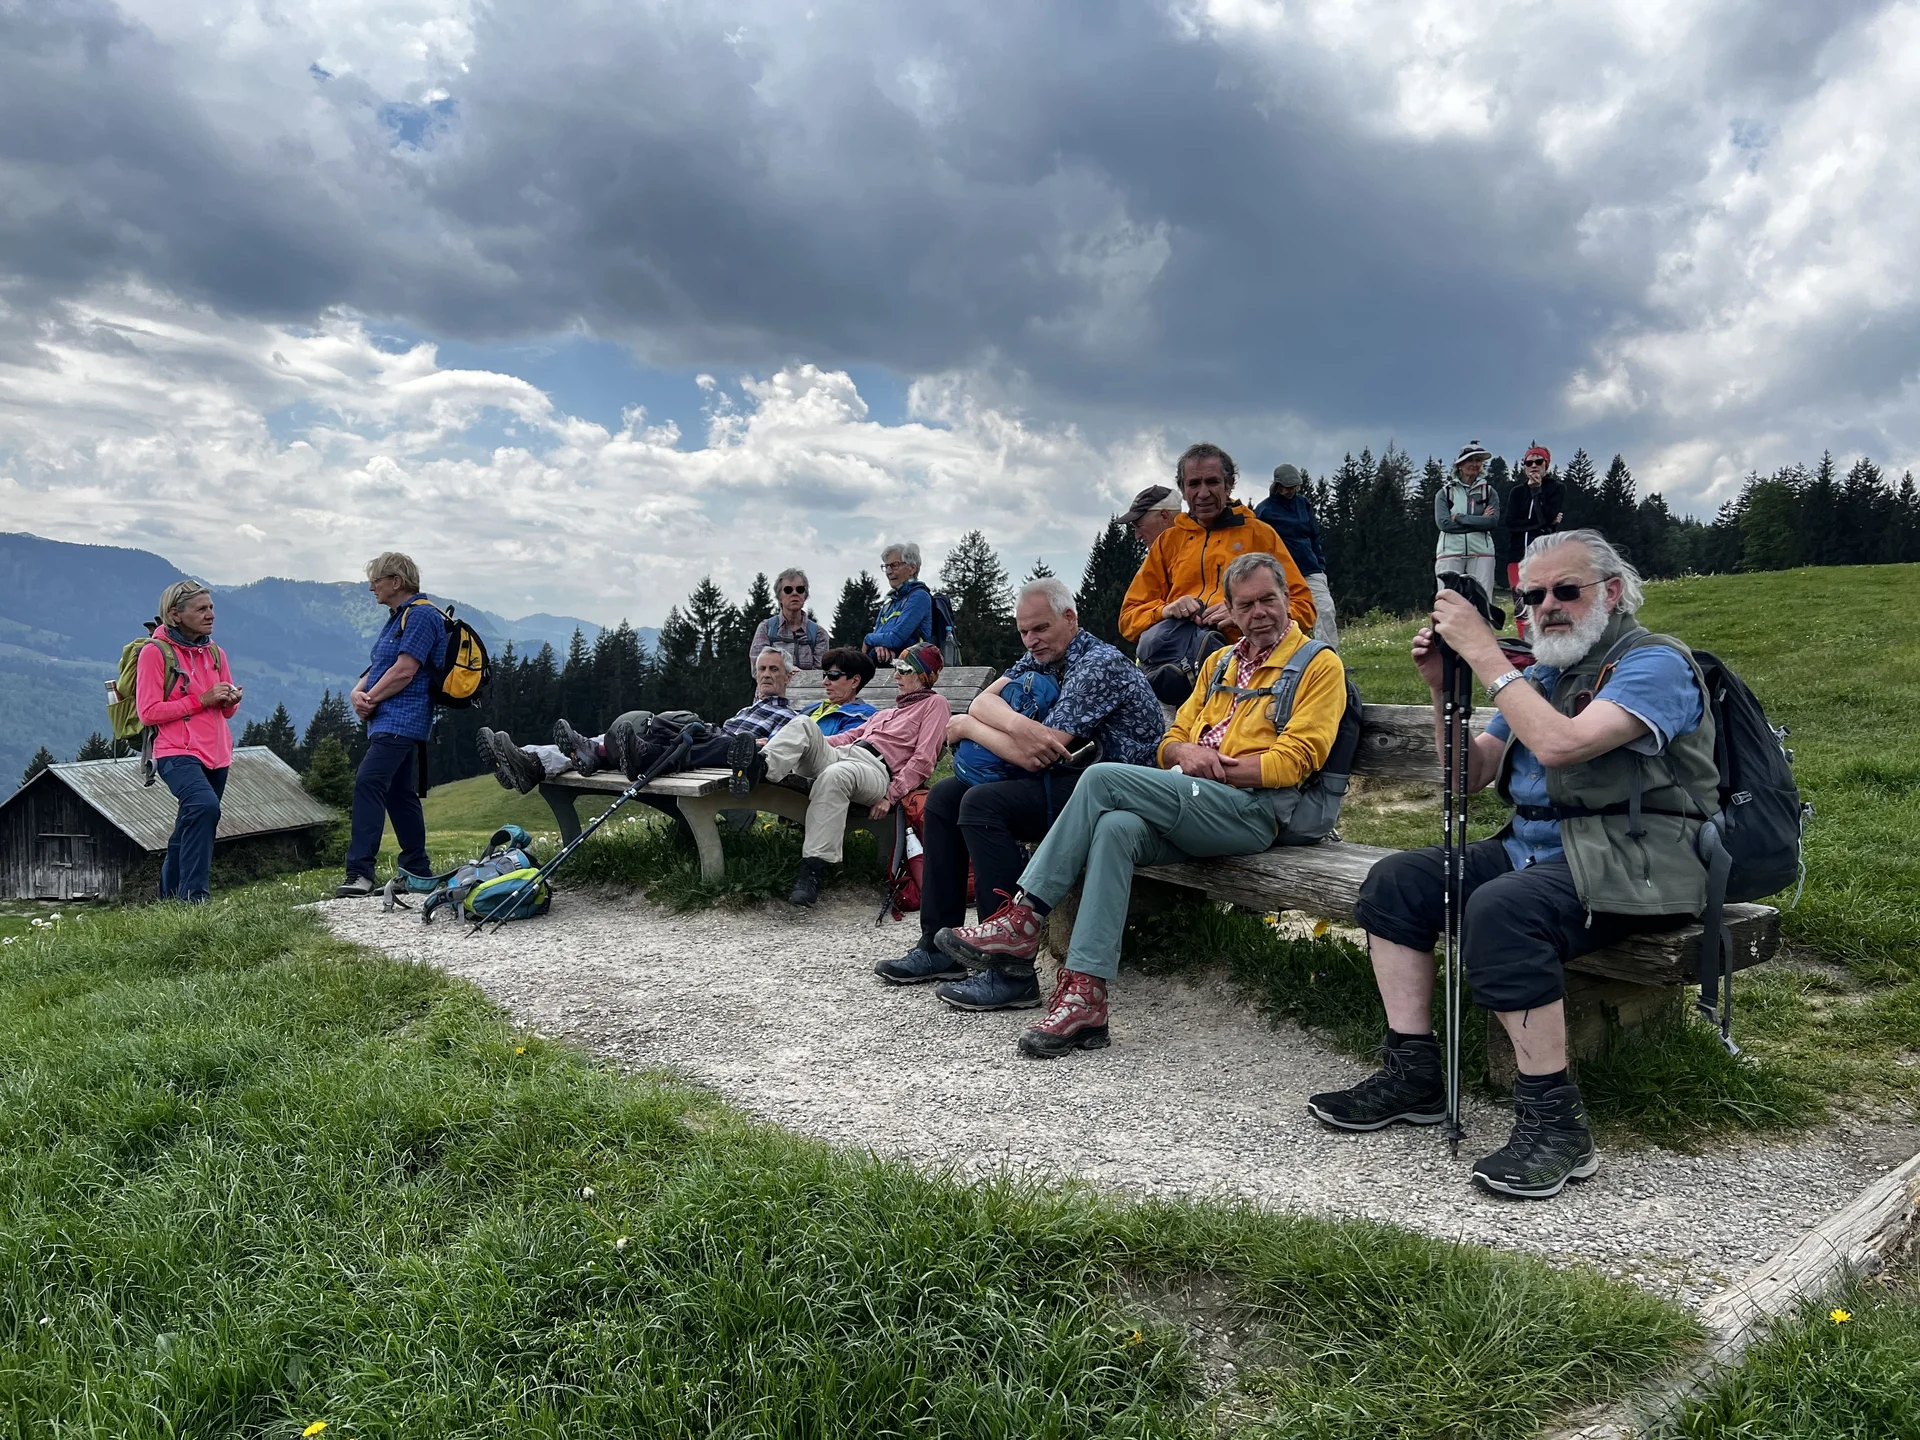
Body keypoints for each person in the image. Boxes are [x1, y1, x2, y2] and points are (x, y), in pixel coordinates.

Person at [1307, 530, 1714, 1200]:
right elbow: (1469, 776)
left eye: (1565, 590)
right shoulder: (1547, 674)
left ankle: (1556, 1123)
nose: (1546, 606)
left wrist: (1486, 655)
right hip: (1538, 847)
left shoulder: (1655, 663)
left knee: (1502, 909)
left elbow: (1561, 744)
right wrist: (1446, 687)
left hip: (1638, 858)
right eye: (1532, 596)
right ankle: (1414, 1074)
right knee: (1397, 884)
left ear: (1611, 593)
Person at [937, 553, 1346, 1058]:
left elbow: (1296, 760)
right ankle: (1086, 999)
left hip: (1255, 809)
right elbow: (1170, 738)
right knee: (1116, 830)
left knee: (1102, 778)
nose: (1259, 612)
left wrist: (1211, 764)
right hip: (1195, 799)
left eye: (1268, 599)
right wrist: (1184, 753)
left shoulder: (1318, 664)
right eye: (1246, 604)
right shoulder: (1220, 662)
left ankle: (1024, 918)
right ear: (1231, 612)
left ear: (1288, 600)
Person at [875, 577, 1166, 1007]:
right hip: (1071, 782)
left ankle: (1010, 973)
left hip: (1114, 796)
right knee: (943, 798)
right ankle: (940, 948)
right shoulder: (1043, 657)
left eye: (1041, 629)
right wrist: (1015, 726)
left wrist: (973, 729)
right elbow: (982, 702)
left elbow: (1038, 756)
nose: (1031, 640)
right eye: (1024, 631)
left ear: (1070, 618)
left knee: (981, 805)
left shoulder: (1098, 664)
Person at [732, 643, 951, 908]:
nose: (896, 675)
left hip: (877, 771)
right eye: (896, 668)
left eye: (904, 670)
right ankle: (760, 768)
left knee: (836, 775)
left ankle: (812, 871)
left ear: (924, 675)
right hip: (847, 754)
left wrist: (891, 796)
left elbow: (924, 760)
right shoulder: (889, 712)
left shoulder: (935, 704)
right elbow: (850, 737)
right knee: (804, 724)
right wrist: (811, 742)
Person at [1119, 442, 1316, 702]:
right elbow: (1128, 619)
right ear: (1183, 490)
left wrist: (1243, 613)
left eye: (1212, 482)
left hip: (1249, 676)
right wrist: (1167, 610)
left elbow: (1304, 609)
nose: (1203, 493)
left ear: (1229, 485)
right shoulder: (1169, 542)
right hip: (1180, 681)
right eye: (1194, 484)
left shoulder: (1260, 535)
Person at [480, 648, 798, 791]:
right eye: (762, 669)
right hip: (712, 739)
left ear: (788, 677)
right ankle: (530, 761)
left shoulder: (792, 716)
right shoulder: (746, 710)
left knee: (656, 736)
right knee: (643, 734)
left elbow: (789, 748)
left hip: (733, 753)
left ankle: (542, 761)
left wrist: (765, 744)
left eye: (774, 670)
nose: (767, 675)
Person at [338, 553, 446, 899]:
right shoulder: (400, 617)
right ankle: (417, 870)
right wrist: (359, 691)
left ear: (396, 581)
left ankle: (360, 874)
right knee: (400, 794)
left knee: (368, 783)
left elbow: (404, 670)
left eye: (377, 580)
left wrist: (369, 699)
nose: (372, 587)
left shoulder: (421, 616)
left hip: (402, 718)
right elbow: (382, 664)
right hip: (390, 719)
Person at [138, 580, 242, 904]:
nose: (210, 614)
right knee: (204, 807)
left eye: (211, 607)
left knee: (190, 822)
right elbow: (148, 711)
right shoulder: (154, 653)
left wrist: (229, 700)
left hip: (216, 753)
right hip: (175, 751)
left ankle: (168, 901)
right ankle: (194, 900)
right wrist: (203, 699)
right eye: (201, 608)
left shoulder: (215, 652)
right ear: (175, 614)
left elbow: (225, 713)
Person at [1255, 463, 1339, 646]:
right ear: (1278, 485)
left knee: (1325, 609)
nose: (1292, 490)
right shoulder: (1264, 511)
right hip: (1281, 572)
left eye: (1295, 486)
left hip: (1310, 567)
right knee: (1285, 614)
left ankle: (1331, 658)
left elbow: (1314, 535)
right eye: (1288, 486)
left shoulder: (1303, 503)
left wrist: (1320, 564)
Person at [1505, 446, 1564, 637]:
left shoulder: (1556, 489)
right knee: (1521, 603)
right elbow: (1510, 523)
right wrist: (1542, 524)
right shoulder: (1516, 492)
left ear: (1546, 464)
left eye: (1539, 462)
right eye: (1529, 462)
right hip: (1517, 555)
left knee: (1542, 598)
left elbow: (1545, 516)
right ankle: (1525, 643)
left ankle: (1546, 638)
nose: (1534, 466)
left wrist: (1537, 491)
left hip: (1543, 556)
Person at [1435, 440, 1502, 600]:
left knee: (1483, 600)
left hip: (1482, 552)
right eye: (1470, 460)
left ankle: (1481, 626)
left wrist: (1460, 518)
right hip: (1450, 552)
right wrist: (1479, 522)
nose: (1474, 464)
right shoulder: (1445, 493)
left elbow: (1492, 522)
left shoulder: (1489, 492)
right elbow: (1444, 524)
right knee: (1448, 600)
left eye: (1478, 460)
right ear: (1459, 465)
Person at [749, 568, 830, 672]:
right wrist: (789, 671)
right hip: (772, 688)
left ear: (805, 596)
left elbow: (819, 675)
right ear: (779, 597)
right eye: (788, 590)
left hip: (807, 689)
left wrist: (792, 676)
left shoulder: (819, 634)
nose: (794, 593)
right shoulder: (766, 628)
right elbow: (758, 669)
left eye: (800, 589)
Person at [865, 543, 935, 663]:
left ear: (912, 568)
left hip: (913, 668)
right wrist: (879, 646)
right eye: (886, 566)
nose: (888, 571)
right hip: (888, 665)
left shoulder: (919, 597)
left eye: (894, 565)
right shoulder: (889, 601)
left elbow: (895, 638)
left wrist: (867, 639)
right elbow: (878, 636)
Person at [802, 647, 879, 736]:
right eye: (825, 675)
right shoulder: (812, 708)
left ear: (855, 681)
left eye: (833, 675)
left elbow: (839, 746)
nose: (824, 682)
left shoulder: (861, 715)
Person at [1121, 484, 1182, 549]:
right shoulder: (1158, 557)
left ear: (1164, 516)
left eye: (1140, 526)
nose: (1137, 536)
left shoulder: (1192, 552)